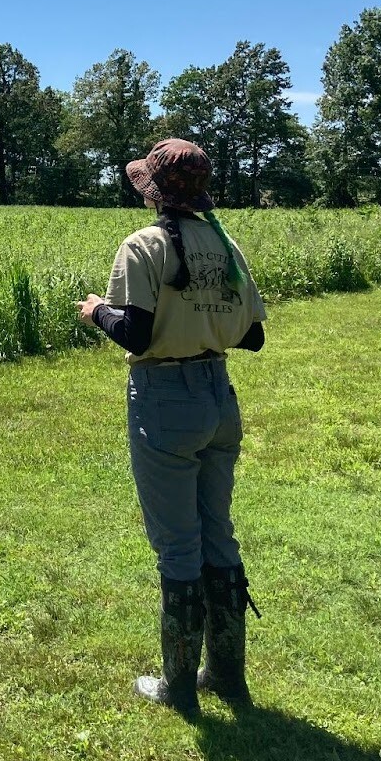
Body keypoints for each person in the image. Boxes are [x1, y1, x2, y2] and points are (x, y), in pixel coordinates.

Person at [77, 138, 266, 717]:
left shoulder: (143, 246)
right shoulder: (224, 242)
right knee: (218, 535)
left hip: (164, 398)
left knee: (177, 545)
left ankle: (179, 686)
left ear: (151, 191)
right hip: (219, 394)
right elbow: (254, 335)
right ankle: (228, 676)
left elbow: (134, 333)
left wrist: (94, 311)